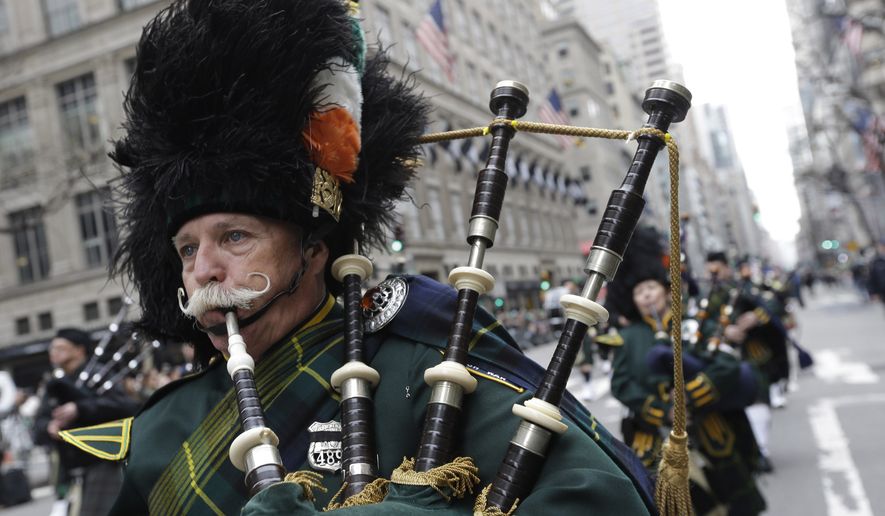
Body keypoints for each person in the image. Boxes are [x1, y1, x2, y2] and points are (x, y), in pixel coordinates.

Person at [60, 1, 657, 514]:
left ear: (314, 250)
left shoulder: (424, 363)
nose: (203, 271)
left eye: (235, 237)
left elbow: (598, 498)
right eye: (188, 249)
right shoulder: (163, 429)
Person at [608, 228, 765, 515]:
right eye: (638, 292)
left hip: (708, 427)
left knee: (733, 501)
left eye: (650, 287)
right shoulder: (627, 339)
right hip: (656, 437)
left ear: (666, 290)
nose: (646, 295)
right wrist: (664, 411)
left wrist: (689, 397)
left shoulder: (693, 324)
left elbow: (726, 363)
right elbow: (621, 385)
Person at [33, 328, 139, 516]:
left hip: (101, 461)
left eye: (60, 348)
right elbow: (40, 421)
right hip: (69, 467)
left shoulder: (100, 374)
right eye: (52, 348)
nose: (53, 352)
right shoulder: (55, 382)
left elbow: (124, 407)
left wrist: (79, 409)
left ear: (79, 350)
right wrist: (49, 427)